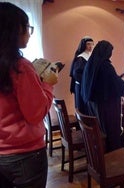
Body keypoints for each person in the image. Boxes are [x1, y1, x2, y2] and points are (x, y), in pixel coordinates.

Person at [0, 2, 58, 187]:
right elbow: (36, 113)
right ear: (15, 30)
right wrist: (48, 84)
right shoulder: (21, 66)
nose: (29, 33)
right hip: (25, 154)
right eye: (27, 27)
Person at [81, 40, 124, 152]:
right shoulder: (106, 66)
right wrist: (121, 82)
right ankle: (114, 154)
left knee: (100, 129)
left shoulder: (91, 63)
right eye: (110, 52)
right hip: (106, 106)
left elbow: (102, 83)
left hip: (94, 104)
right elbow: (118, 86)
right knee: (110, 131)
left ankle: (101, 151)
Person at [70, 36, 94, 114]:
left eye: (92, 44)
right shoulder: (80, 58)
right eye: (88, 44)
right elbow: (76, 74)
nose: (90, 46)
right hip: (81, 86)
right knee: (82, 108)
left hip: (87, 86)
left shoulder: (91, 56)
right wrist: (86, 81)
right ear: (84, 45)